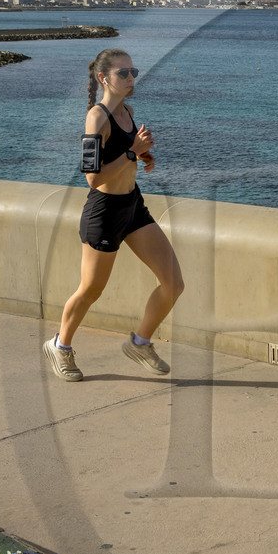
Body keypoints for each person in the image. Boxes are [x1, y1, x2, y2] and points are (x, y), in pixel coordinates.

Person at [44, 48, 184, 381]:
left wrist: (143, 156)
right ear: (103, 78)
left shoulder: (128, 112)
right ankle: (60, 346)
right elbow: (93, 177)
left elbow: (123, 157)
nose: (131, 78)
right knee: (91, 290)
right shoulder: (97, 118)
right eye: (123, 73)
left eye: (133, 72)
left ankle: (140, 343)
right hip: (104, 212)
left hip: (133, 207)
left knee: (173, 283)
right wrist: (133, 152)